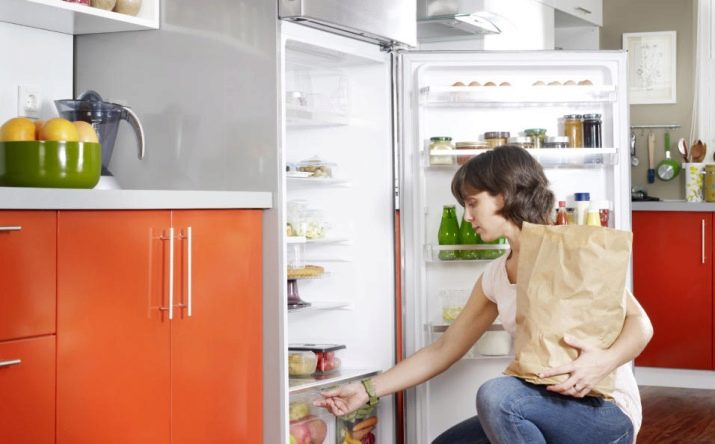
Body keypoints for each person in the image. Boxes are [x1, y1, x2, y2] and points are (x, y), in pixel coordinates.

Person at [314, 145, 654, 444]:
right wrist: (366, 390)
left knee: (497, 396)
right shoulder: (494, 276)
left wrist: (603, 362)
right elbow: (443, 350)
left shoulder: (569, 250)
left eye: (473, 203)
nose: (467, 216)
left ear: (503, 196)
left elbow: (641, 324)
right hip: (542, 406)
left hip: (603, 411)